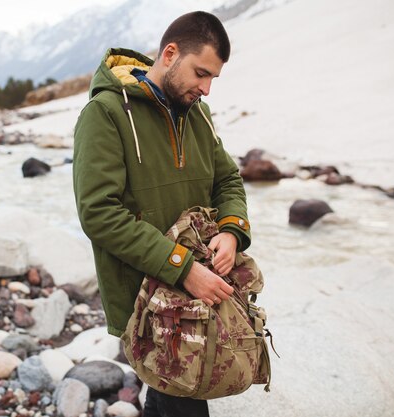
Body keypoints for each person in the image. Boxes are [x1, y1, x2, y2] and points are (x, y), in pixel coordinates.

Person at [72, 11, 251, 417]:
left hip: (199, 289)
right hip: (146, 298)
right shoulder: (105, 114)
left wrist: (231, 230)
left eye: (213, 79)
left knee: (174, 398)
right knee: (182, 402)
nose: (206, 89)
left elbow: (228, 181)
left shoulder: (198, 113)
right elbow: (98, 213)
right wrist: (183, 267)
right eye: (200, 73)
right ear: (170, 53)